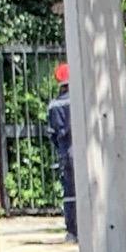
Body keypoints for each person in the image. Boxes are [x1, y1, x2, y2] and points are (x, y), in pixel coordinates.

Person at [47, 62, 75, 241]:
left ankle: (72, 231)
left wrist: (61, 149)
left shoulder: (53, 105)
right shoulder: (79, 100)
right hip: (82, 151)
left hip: (65, 152)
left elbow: (52, 134)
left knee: (70, 193)